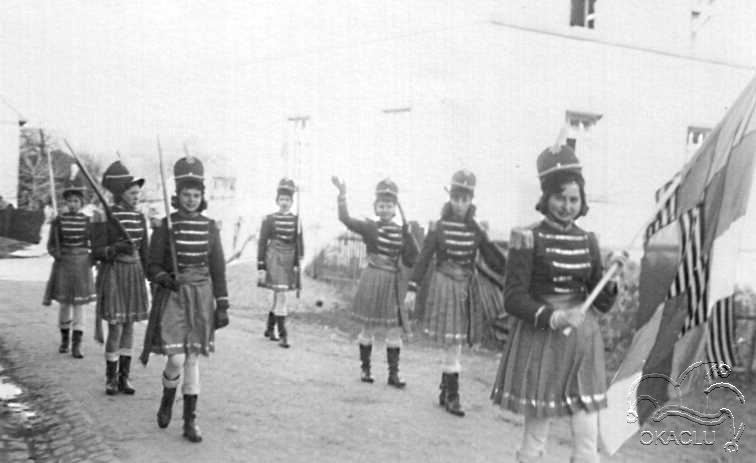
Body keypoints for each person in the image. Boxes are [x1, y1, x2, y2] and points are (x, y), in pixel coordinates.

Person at [490, 145, 627, 463]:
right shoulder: (527, 237)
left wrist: (612, 278)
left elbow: (600, 302)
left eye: (574, 200)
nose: (567, 207)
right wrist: (553, 317)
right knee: (537, 429)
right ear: (546, 198)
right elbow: (513, 298)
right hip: (543, 338)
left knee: (587, 430)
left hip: (582, 341)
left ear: (582, 201)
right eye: (560, 198)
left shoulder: (588, 241)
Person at [140, 155, 229, 444]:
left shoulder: (210, 227)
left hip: (201, 295)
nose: (191, 200)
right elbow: (152, 265)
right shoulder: (166, 226)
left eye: (196, 195)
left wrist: (222, 304)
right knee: (176, 358)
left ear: (202, 197)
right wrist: (165, 278)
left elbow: (218, 268)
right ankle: (168, 397)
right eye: (186, 195)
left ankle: (190, 420)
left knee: (192, 358)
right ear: (177, 196)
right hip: (174, 295)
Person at [403, 170, 505, 415]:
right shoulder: (438, 227)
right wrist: (412, 288)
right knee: (452, 341)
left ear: (471, 200)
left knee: (456, 341)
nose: (459, 204)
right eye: (456, 198)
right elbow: (424, 258)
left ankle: (446, 391)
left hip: (465, 290)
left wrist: (518, 269)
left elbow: (495, 260)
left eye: (464, 199)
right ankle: (452, 394)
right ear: (450, 198)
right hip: (444, 285)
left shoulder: (476, 229)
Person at [331, 177, 418, 387]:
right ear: (376, 208)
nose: (385, 209)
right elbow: (345, 218)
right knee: (368, 327)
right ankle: (365, 368)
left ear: (395, 208)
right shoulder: (369, 227)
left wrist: (409, 237)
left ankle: (393, 374)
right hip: (372, 279)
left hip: (392, 283)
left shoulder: (402, 231)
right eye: (381, 205)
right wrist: (342, 195)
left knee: (394, 329)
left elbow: (412, 258)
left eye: (389, 205)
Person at [92, 161, 149, 396]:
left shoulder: (139, 217)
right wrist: (115, 248)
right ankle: (111, 378)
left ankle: (125, 378)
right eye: (133, 193)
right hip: (115, 272)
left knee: (129, 326)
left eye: (138, 193)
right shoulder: (105, 215)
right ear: (121, 192)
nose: (137, 197)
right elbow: (96, 251)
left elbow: (145, 251)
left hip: (134, 273)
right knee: (115, 327)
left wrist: (153, 278)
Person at [42, 177, 96, 358]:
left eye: (76, 201)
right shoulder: (58, 221)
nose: (72, 204)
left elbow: (93, 243)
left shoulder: (87, 221)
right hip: (64, 264)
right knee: (65, 303)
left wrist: (91, 259)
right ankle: (65, 339)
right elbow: (51, 244)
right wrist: (57, 254)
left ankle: (77, 344)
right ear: (65, 203)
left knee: (79, 304)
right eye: (69, 201)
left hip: (81, 264)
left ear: (81, 203)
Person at [257, 178, 303, 348]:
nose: (284, 203)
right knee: (281, 294)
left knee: (279, 294)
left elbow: (299, 242)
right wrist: (261, 265)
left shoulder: (297, 220)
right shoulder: (269, 219)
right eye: (282, 199)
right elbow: (262, 242)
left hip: (289, 259)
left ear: (292, 202)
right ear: (277, 201)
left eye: (288, 200)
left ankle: (270, 329)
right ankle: (283, 335)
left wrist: (298, 262)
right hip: (274, 256)